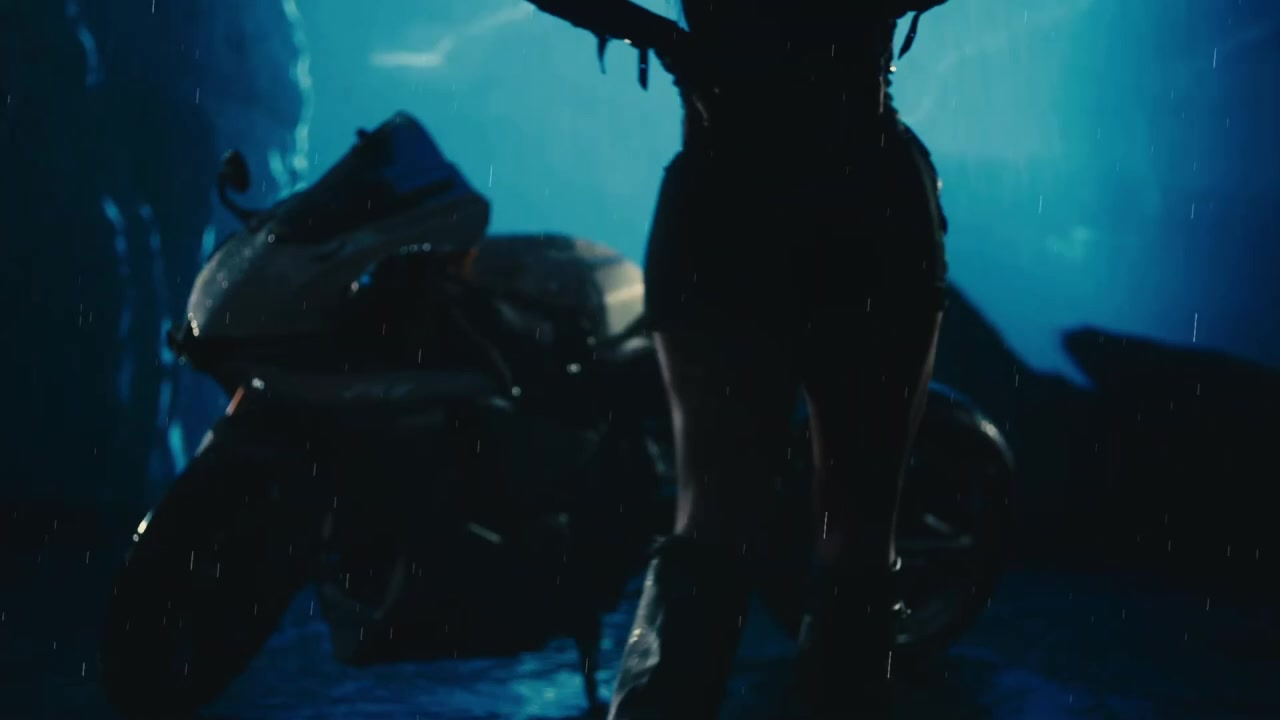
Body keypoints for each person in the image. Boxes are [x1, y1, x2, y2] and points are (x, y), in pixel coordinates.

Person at [600, 2, 953, 718]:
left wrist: (667, 41)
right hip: (857, 203)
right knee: (851, 537)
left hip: (735, 207)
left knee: (714, 529)